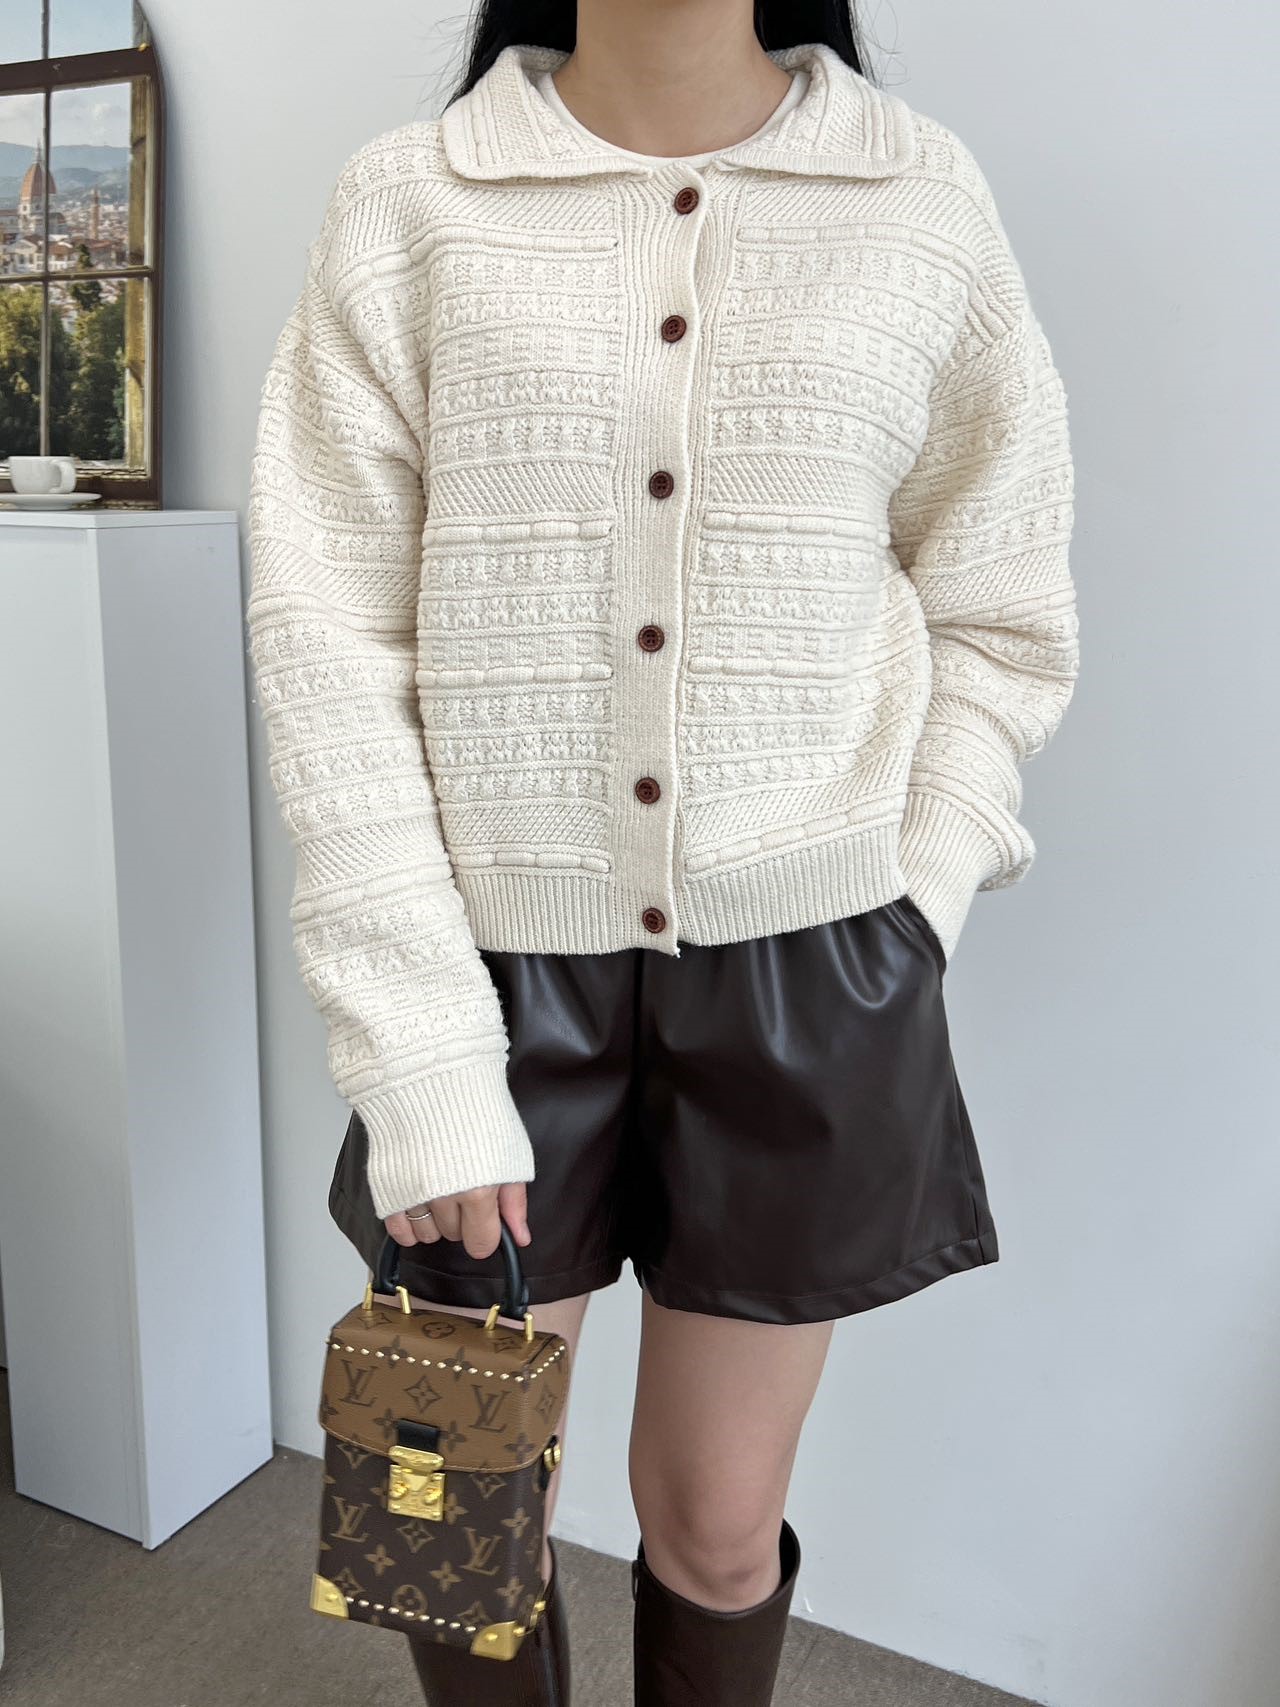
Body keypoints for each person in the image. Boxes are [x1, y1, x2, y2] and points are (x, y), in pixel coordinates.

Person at [246, 2, 1079, 1702]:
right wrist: (416, 1052)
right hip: (480, 975)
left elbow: (1002, 605)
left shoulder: (919, 200)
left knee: (714, 1524)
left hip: (807, 977)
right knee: (442, 1517)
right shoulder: (412, 200)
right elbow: (327, 650)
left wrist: (914, 900)